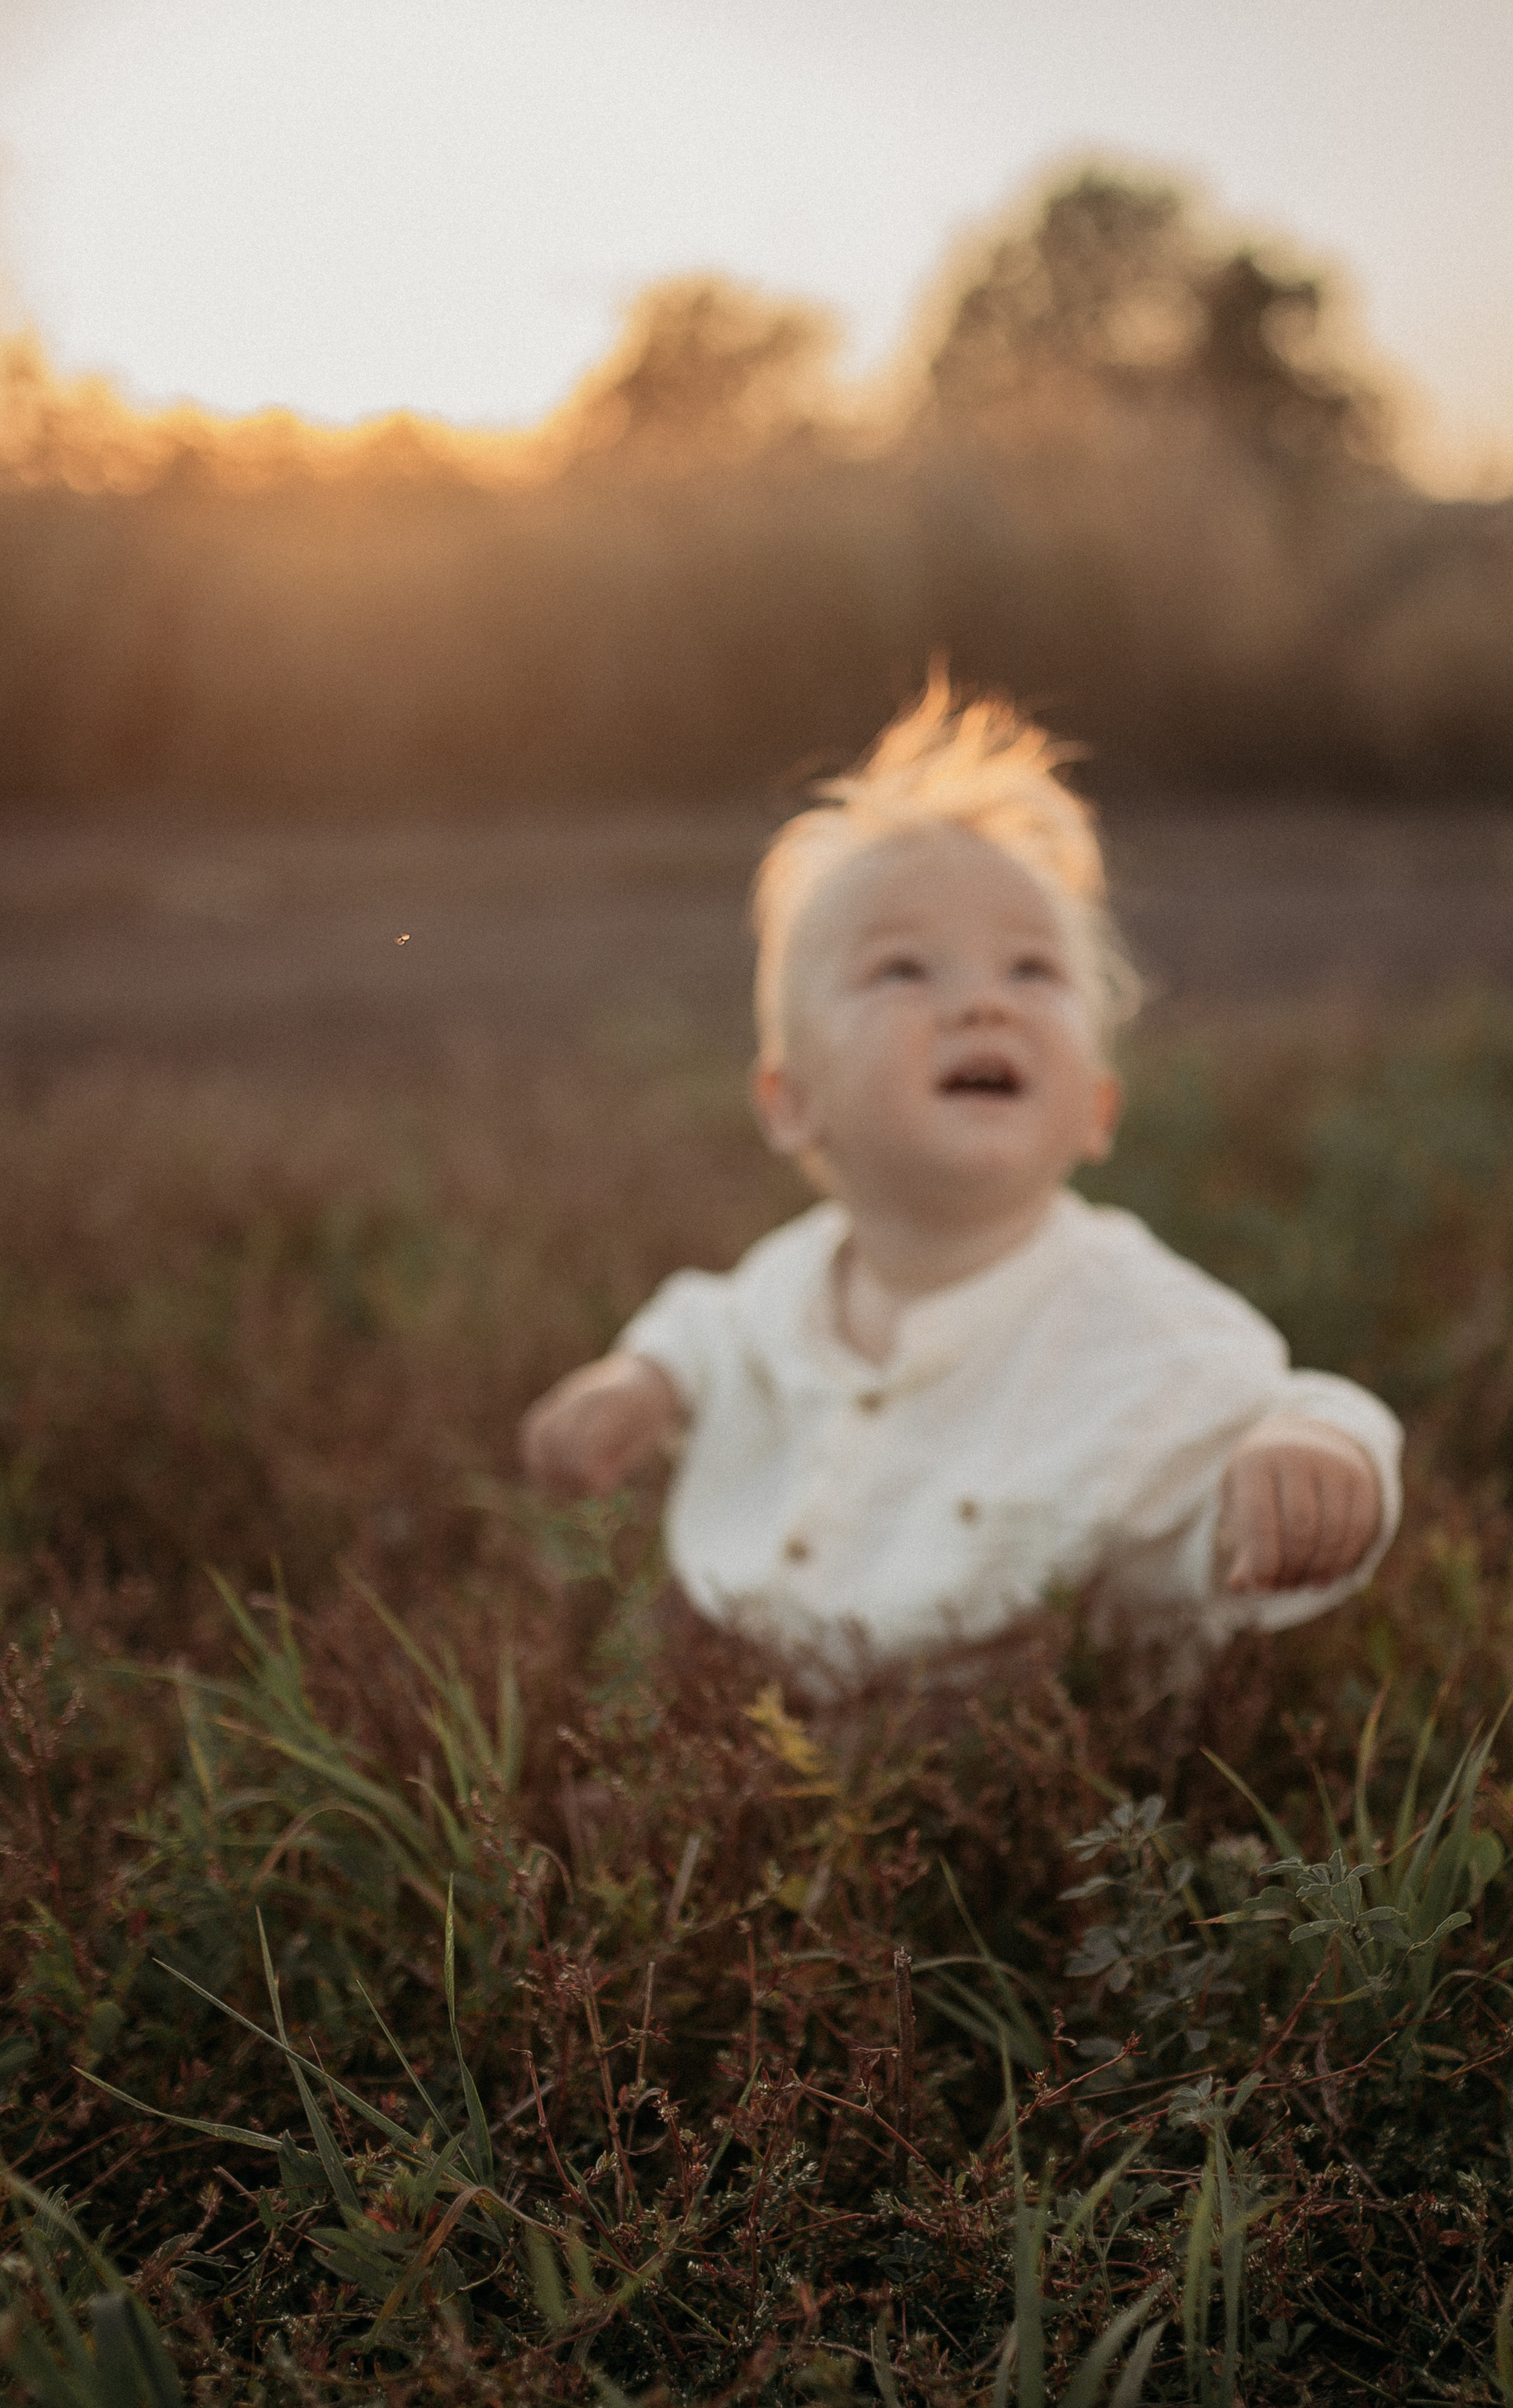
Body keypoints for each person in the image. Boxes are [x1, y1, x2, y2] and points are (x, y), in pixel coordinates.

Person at [519, 677, 1402, 1667]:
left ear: (1098, 1109)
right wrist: (639, 1381)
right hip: (750, 1682)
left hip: (1000, 1733)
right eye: (905, 970)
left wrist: (1318, 1456)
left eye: (1033, 971)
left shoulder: (1133, 1323)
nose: (984, 1005)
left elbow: (1271, 1401)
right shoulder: (788, 1281)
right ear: (792, 1101)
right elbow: (710, 1329)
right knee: (613, 1733)